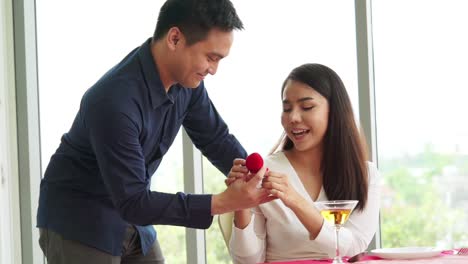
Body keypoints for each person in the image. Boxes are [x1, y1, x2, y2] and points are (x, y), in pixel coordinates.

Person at [36, 0, 274, 263]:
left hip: (133, 215)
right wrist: (223, 202)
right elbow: (135, 201)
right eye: (210, 57)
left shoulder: (188, 85)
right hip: (80, 220)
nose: (214, 70)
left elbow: (215, 138)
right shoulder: (114, 102)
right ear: (174, 38)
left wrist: (259, 178)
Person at [227, 63, 381, 263]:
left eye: (307, 107)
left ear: (334, 111)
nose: (293, 118)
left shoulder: (365, 174)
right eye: (286, 108)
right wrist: (241, 203)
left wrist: (296, 201)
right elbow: (248, 261)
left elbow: (352, 248)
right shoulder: (265, 174)